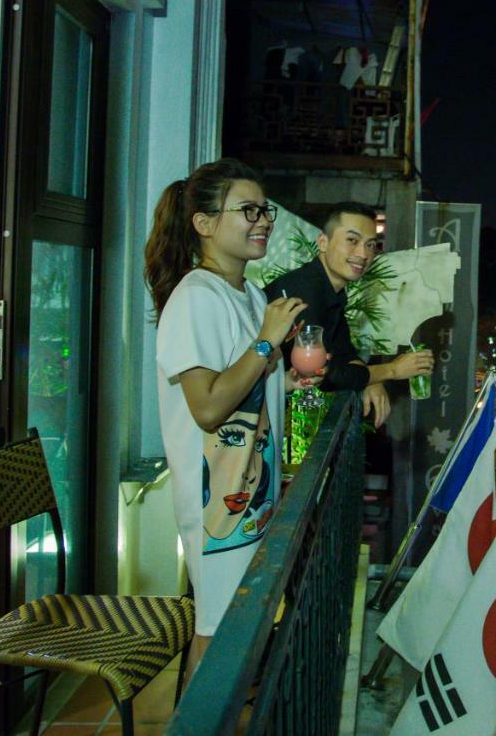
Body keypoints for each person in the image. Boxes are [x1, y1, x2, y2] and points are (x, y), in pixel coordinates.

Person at [144, 158, 316, 674]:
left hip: (248, 490)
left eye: (266, 210)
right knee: (216, 634)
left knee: (235, 630)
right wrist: (267, 340)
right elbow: (210, 406)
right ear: (204, 223)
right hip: (217, 501)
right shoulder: (196, 297)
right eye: (247, 210)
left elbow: (242, 385)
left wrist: (288, 377)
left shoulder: (248, 294)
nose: (262, 220)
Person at [264, 201, 433, 425]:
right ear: (323, 242)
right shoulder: (306, 292)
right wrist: (392, 370)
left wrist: (371, 380)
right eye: (352, 240)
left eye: (371, 244)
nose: (363, 254)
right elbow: (321, 374)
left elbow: (345, 353)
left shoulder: (329, 290)